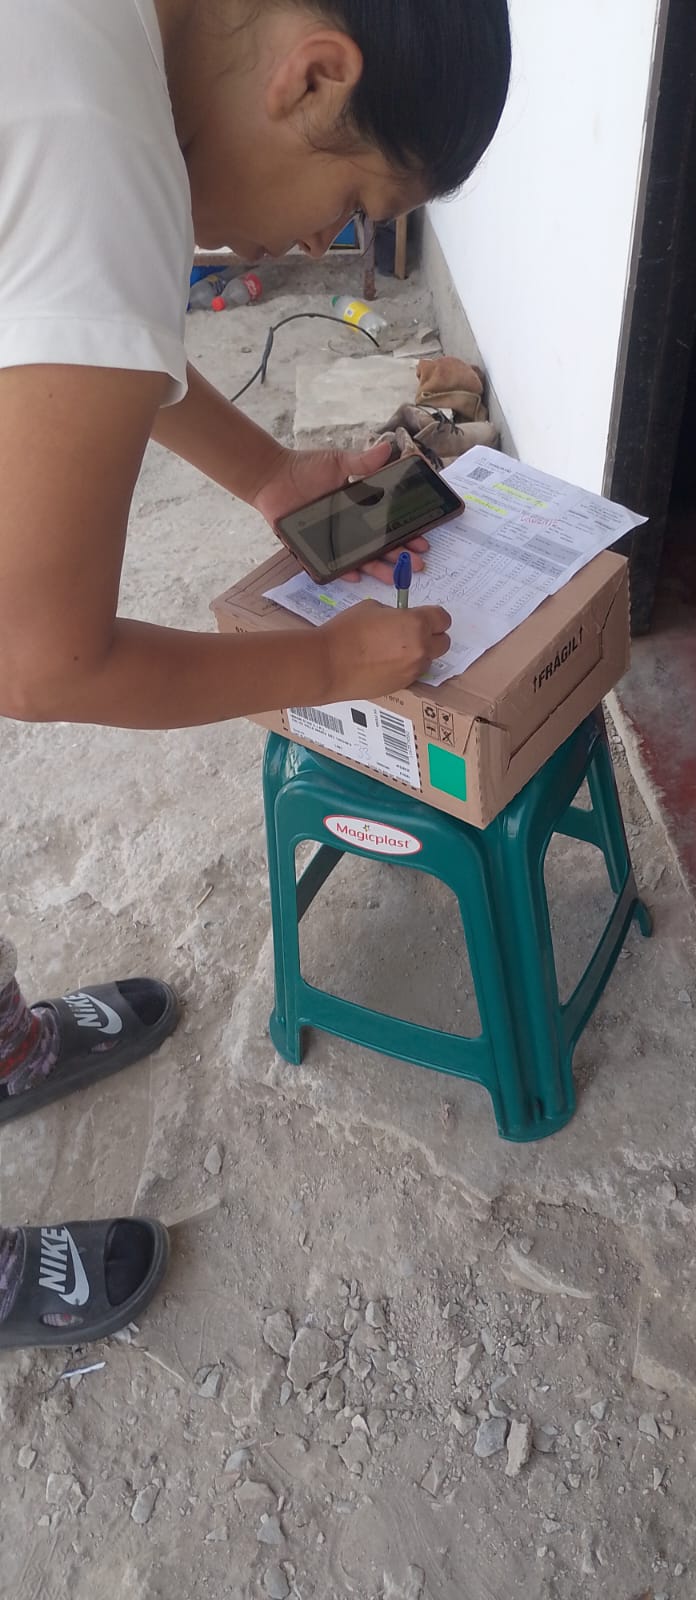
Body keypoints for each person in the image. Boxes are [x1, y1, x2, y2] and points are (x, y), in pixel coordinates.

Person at [0, 0, 512, 1349]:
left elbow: (86, 331)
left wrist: (277, 478)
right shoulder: (98, 146)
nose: (328, 245)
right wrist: (329, 658)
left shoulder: (103, 51)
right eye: (356, 203)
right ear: (316, 76)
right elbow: (42, 663)